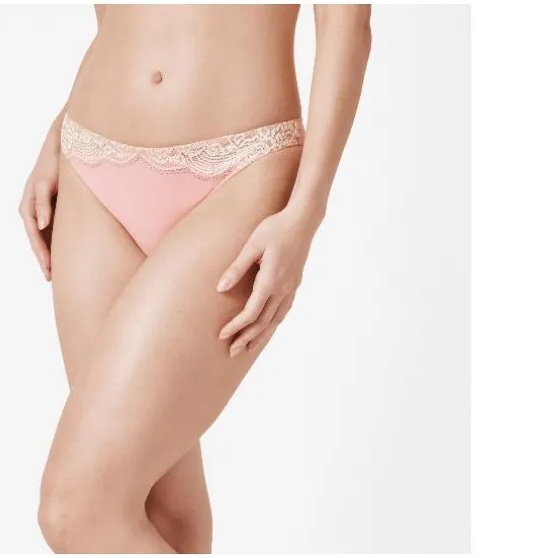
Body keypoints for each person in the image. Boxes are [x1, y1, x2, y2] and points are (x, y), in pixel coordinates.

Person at [19, 4, 371, 553]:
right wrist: (57, 130)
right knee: (164, 516)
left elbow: (345, 22)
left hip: (242, 172)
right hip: (90, 166)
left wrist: (306, 211)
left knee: (77, 507)